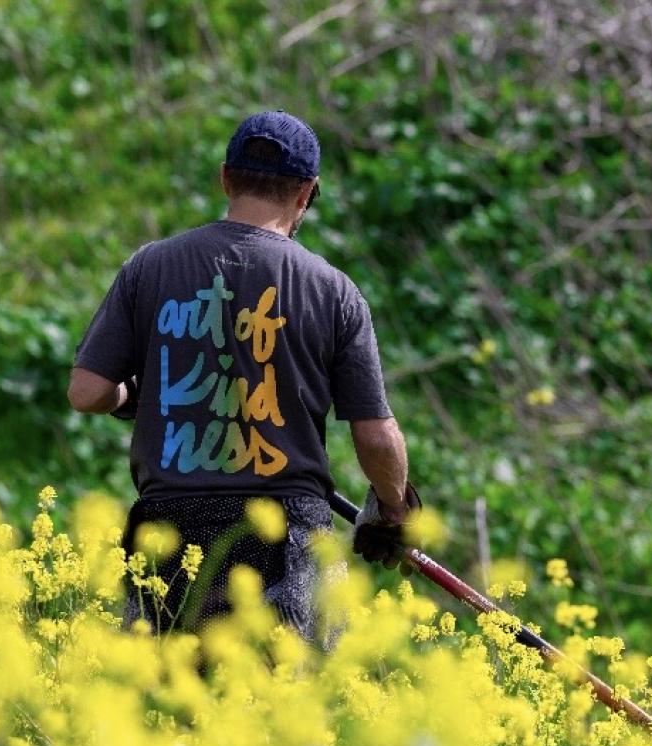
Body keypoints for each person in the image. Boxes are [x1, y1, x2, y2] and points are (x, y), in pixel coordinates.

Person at [67, 109, 418, 645]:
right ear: (305, 193)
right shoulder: (332, 289)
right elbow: (374, 435)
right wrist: (393, 508)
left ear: (226, 179)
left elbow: (88, 392)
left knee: (167, 708)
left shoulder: (149, 266)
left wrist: (135, 394)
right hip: (284, 537)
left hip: (168, 529)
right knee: (285, 708)